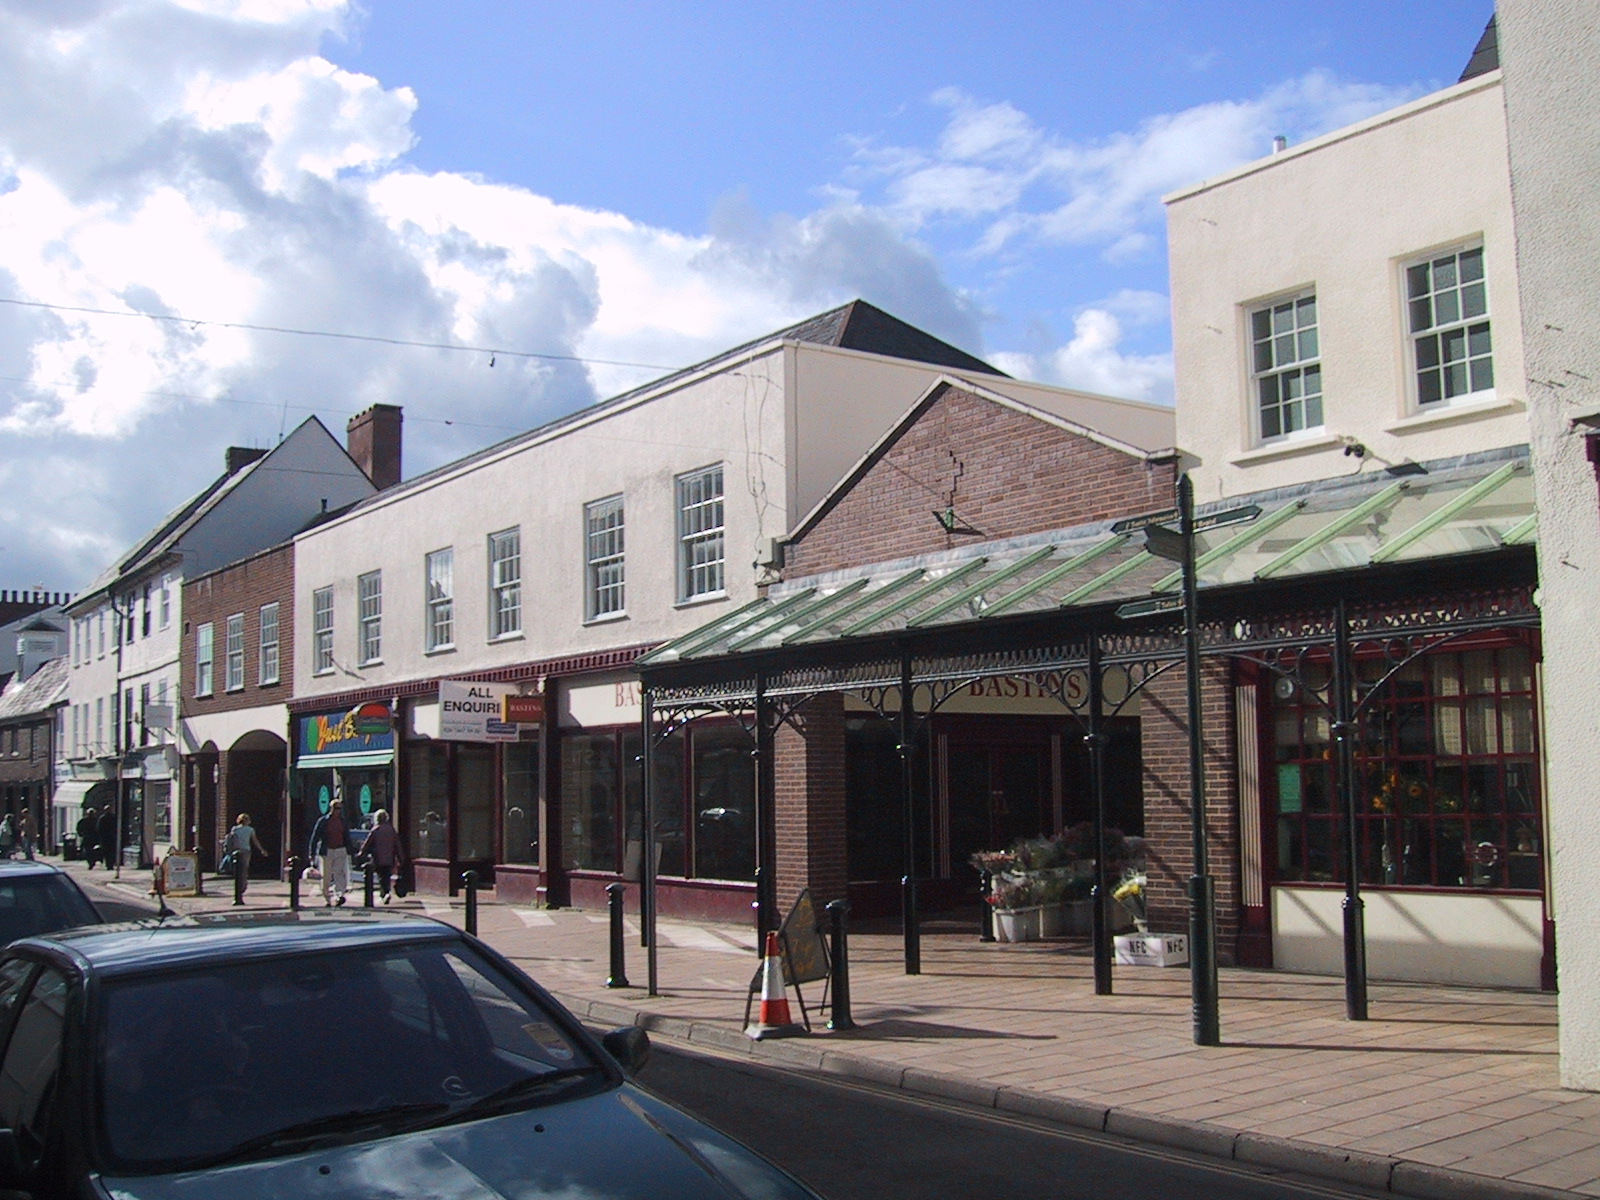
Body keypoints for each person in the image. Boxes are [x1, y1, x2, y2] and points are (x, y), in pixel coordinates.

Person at [308, 799, 352, 907]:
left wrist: (349, 850)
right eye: (336, 808)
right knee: (326, 875)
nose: (338, 811)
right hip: (327, 850)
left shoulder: (343, 822)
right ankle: (327, 898)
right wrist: (312, 853)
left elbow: (347, 836)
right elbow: (315, 837)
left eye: (340, 809)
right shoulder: (323, 821)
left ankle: (339, 895)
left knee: (339, 873)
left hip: (340, 850)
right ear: (331, 808)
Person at [359, 809, 404, 903]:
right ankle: (386, 892)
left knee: (381, 876)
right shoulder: (391, 830)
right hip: (389, 857)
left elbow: (368, 843)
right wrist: (400, 857)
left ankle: (384, 893)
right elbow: (397, 844)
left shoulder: (375, 830)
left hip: (378, 857)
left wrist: (362, 853)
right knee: (387, 875)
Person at [224, 813, 267, 902]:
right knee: (244, 869)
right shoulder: (250, 830)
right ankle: (243, 885)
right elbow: (255, 841)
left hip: (236, 851)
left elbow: (231, 840)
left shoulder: (235, 829)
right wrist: (262, 850)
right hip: (246, 851)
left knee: (237, 869)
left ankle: (239, 886)